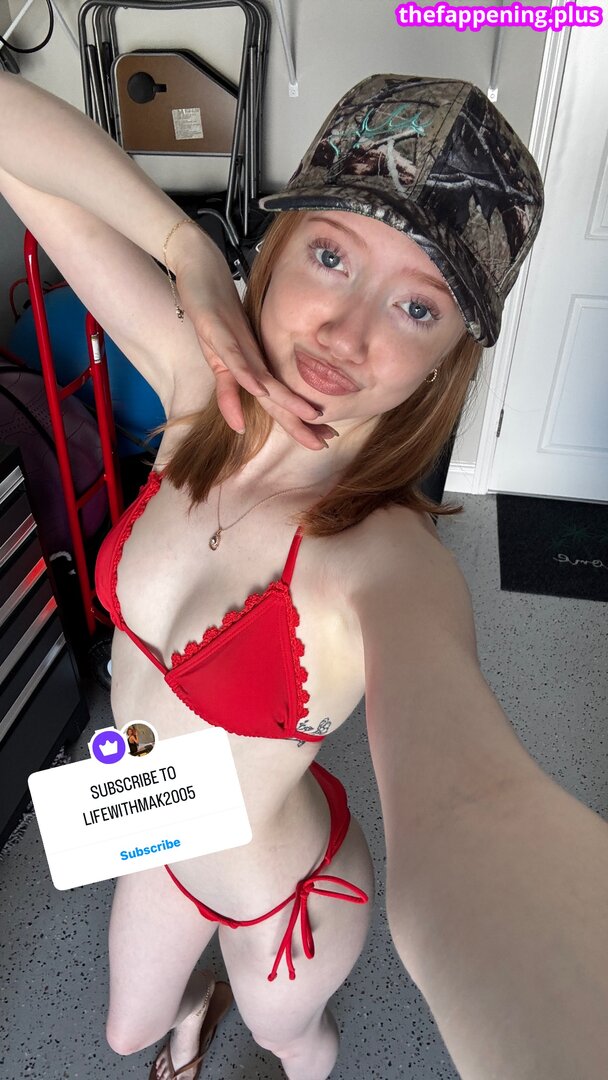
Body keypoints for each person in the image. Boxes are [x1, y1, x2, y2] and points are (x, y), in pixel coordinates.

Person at [2, 69, 608, 1080]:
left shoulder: (384, 561)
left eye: (416, 307)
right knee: (124, 1034)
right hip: (154, 820)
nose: (345, 333)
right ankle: (196, 1013)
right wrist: (186, 247)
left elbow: (475, 808)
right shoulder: (194, 389)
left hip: (284, 900)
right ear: (275, 252)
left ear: (447, 358)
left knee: (295, 1045)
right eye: (331, 255)